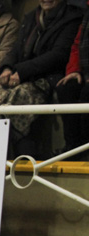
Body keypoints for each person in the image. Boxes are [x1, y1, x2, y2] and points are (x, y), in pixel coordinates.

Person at [55, 2, 89, 156]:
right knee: (66, 88)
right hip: (84, 73)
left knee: (86, 94)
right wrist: (74, 70)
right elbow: (77, 45)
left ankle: (86, 148)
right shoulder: (86, 12)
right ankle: (73, 149)